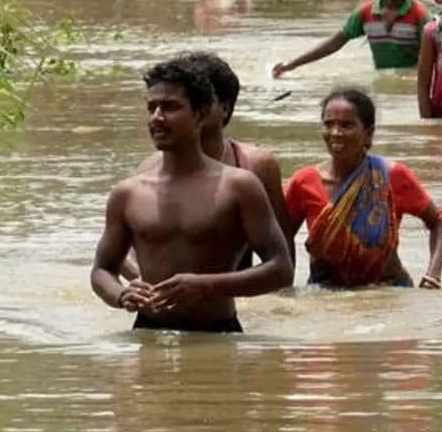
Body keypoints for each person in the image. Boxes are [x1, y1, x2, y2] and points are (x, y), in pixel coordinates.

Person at [91, 57, 293, 333]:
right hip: (147, 332)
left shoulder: (239, 186)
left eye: (171, 107)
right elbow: (102, 270)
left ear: (200, 115)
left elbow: (281, 270)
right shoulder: (127, 192)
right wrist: (121, 295)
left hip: (218, 335)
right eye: (151, 107)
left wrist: (206, 285)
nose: (157, 117)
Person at [126, 52, 293, 277]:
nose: (159, 115)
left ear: (223, 108)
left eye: (203, 99)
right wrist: (145, 284)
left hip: (233, 298)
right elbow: (121, 252)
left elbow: (282, 258)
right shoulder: (149, 171)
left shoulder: (253, 166)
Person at [283, 88, 442, 289]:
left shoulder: (392, 176)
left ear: (368, 134)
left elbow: (438, 222)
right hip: (326, 297)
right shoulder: (303, 182)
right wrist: (285, 288)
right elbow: (281, 238)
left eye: (347, 125)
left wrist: (433, 276)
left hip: (388, 294)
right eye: (329, 124)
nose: (335, 133)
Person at [272, 0, 432, 75]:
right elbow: (334, 44)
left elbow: (438, 52)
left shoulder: (420, 15)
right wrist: (292, 65)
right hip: (382, 78)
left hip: (414, 81)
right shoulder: (365, 12)